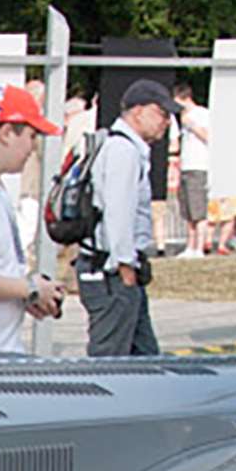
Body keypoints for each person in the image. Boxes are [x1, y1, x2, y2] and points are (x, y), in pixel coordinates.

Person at [0, 85, 65, 352]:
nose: (33, 148)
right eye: (32, 136)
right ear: (8, 133)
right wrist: (29, 289)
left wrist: (27, 291)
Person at [78, 79, 172, 357]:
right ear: (138, 111)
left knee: (143, 359)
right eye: (162, 113)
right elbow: (118, 212)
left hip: (116, 270)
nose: (167, 122)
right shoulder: (123, 151)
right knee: (110, 360)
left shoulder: (121, 147)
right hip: (112, 272)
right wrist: (124, 265)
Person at [174, 80, 214, 254]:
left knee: (199, 211)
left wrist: (192, 126)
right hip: (186, 166)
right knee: (188, 211)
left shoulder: (202, 114)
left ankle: (199, 247)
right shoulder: (182, 118)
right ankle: (190, 246)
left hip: (199, 166)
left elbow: (209, 137)